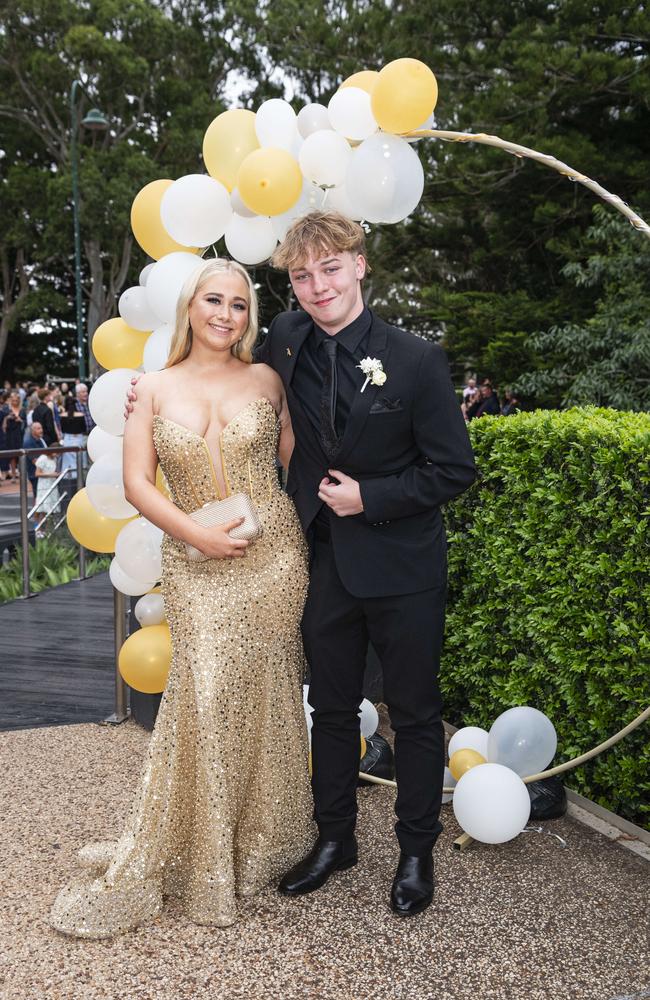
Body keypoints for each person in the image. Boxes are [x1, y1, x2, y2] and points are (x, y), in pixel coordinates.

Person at [50, 258, 314, 938]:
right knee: (203, 695)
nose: (225, 314)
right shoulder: (153, 388)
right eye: (213, 301)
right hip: (195, 562)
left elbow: (297, 462)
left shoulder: (267, 379)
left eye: (237, 304)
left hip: (272, 557)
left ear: (248, 316)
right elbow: (138, 484)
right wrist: (196, 531)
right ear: (191, 309)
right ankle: (199, 855)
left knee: (266, 691)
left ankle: (265, 839)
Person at [256, 211, 476, 917]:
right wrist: (149, 389)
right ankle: (335, 841)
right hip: (322, 563)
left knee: (412, 715)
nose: (316, 287)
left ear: (359, 266)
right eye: (300, 276)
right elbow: (220, 367)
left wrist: (370, 497)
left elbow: (453, 470)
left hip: (405, 567)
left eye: (329, 268)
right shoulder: (286, 340)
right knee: (329, 708)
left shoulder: (416, 360)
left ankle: (416, 852)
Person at [34, 447, 62, 536]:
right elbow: (37, 473)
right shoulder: (43, 458)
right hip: (43, 484)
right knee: (41, 507)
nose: (57, 454)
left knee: (49, 507)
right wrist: (50, 474)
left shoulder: (55, 459)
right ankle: (38, 528)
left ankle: (46, 529)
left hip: (52, 484)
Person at [2, 390, 26, 480]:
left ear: (19, 401)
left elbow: (25, 423)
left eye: (16, 401)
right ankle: (13, 475)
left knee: (20, 454)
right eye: (13, 400)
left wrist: (20, 420)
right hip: (10, 434)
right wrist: (8, 418)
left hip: (19, 434)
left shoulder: (22, 410)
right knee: (12, 455)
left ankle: (20, 473)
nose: (14, 402)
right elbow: (3, 422)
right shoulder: (7, 409)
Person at [23, 420, 47, 501]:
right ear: (33, 431)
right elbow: (35, 461)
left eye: (41, 428)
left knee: (43, 496)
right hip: (35, 474)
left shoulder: (41, 440)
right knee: (37, 497)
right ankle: (36, 513)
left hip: (43, 473)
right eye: (38, 429)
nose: (41, 430)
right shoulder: (28, 443)